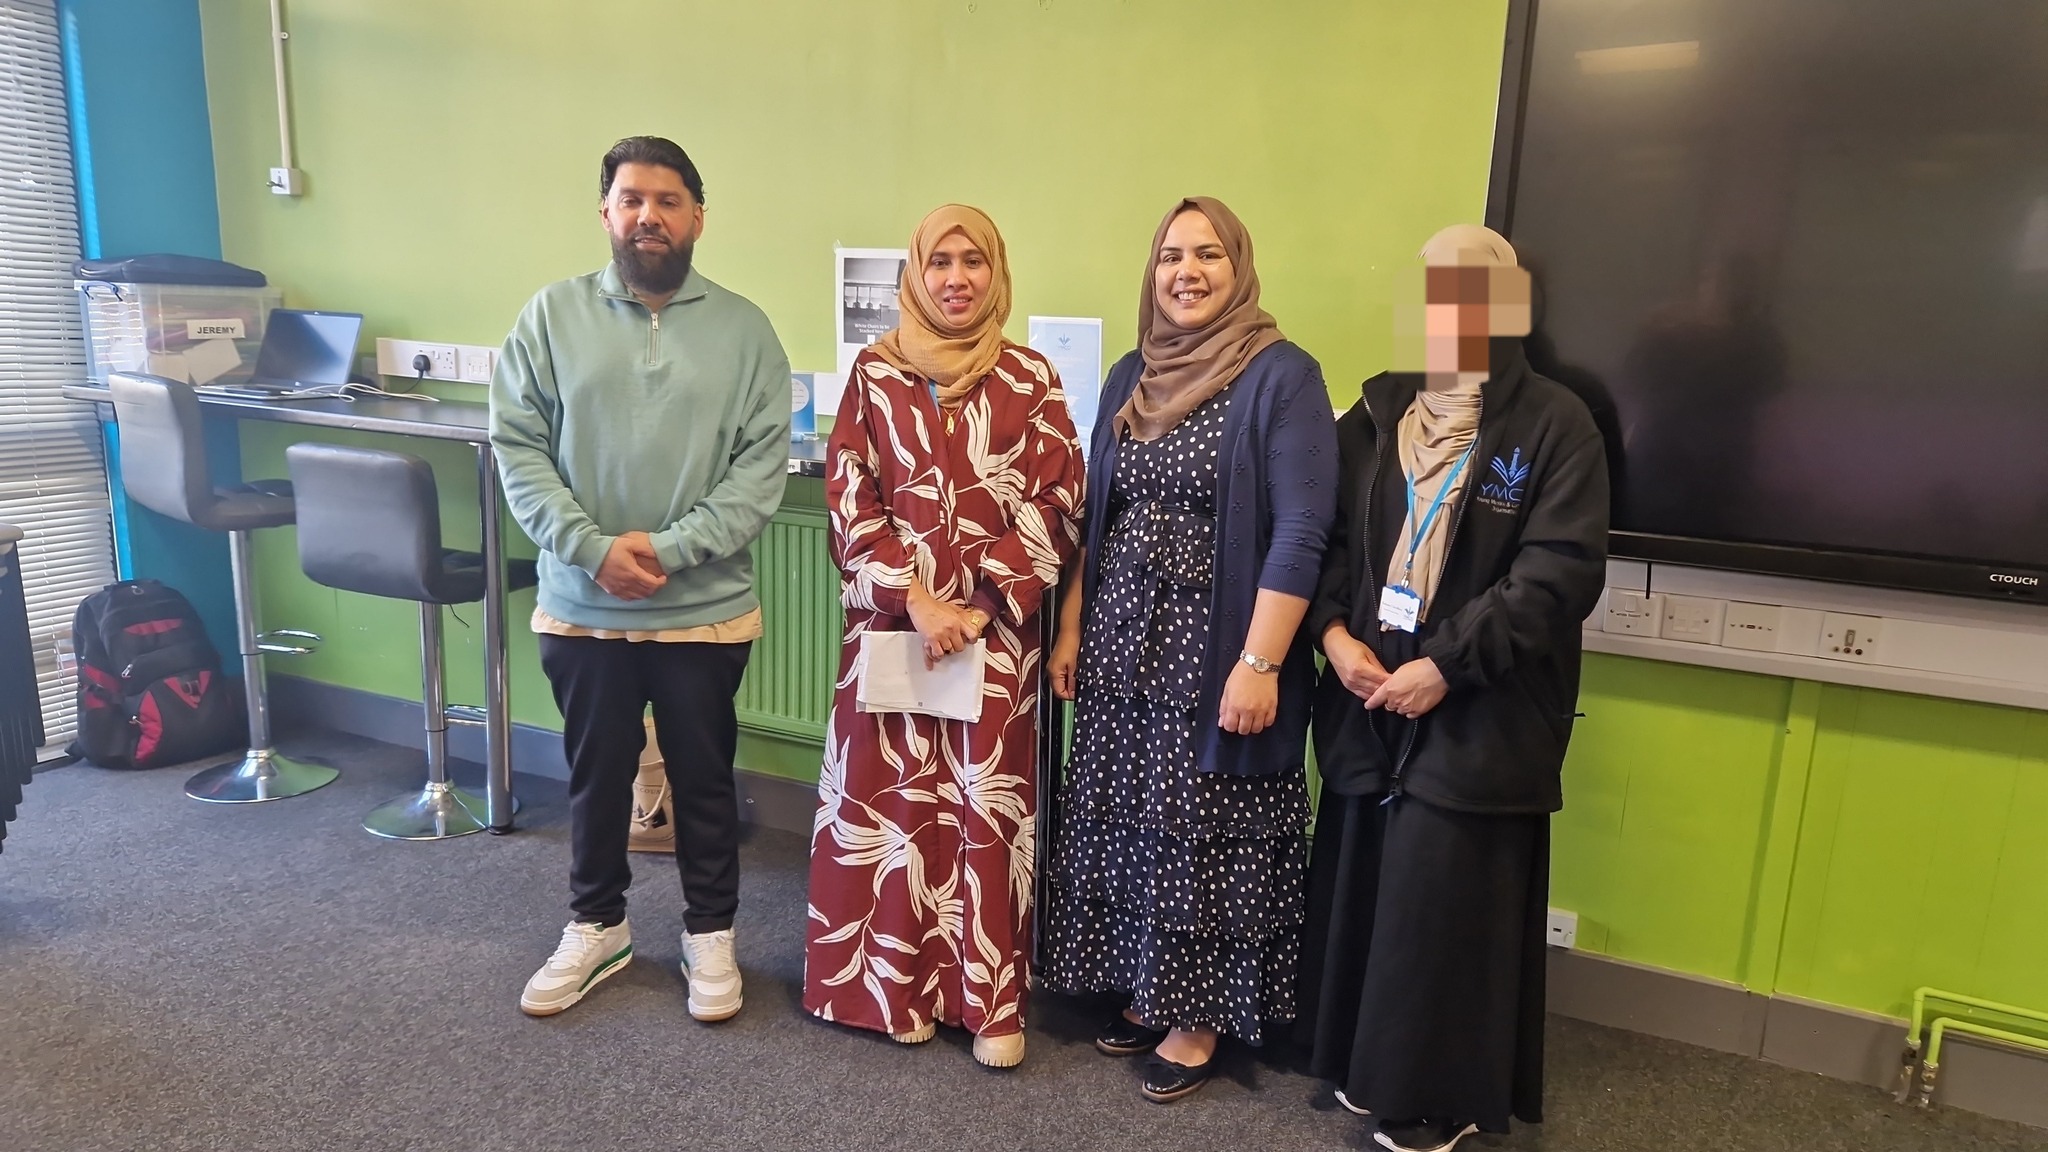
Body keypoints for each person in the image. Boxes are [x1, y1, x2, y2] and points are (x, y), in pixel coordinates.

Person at [1298, 225, 1609, 1152]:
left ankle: (1434, 1097)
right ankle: (1359, 1064)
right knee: (1367, 886)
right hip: (1368, 694)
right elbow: (1324, 544)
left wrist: (1446, 666)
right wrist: (1333, 637)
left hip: (1479, 707)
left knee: (1443, 905)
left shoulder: (1555, 424)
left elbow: (1558, 574)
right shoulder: (1372, 415)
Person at [1040, 197, 1338, 1103]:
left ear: (1238, 267)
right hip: (1122, 646)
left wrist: (1261, 664)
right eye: (1171, 255)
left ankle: (1199, 1016)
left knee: (1203, 827)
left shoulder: (1283, 376)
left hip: (1214, 653)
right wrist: (1071, 626)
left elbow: (1302, 531)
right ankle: (1147, 982)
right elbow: (1098, 512)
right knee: (1133, 815)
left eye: (1208, 254)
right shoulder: (1131, 373)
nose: (1187, 272)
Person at [492, 136, 792, 1021]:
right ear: (606, 213)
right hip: (582, 605)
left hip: (704, 608)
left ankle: (710, 934)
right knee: (596, 777)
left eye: (666, 201)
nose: (647, 216)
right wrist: (592, 549)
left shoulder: (747, 332)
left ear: (698, 216)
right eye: (631, 200)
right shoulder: (549, 318)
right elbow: (519, 451)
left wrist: (667, 550)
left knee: (704, 780)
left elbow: (757, 475)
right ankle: (597, 925)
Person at [804, 205, 1084, 1068]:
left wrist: (982, 601)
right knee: (893, 807)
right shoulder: (874, 374)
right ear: (915, 276)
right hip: (895, 626)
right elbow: (849, 497)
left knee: (983, 807)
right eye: (940, 262)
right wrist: (920, 601)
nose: (956, 278)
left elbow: (1059, 500)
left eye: (974, 261)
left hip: (995, 639)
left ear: (996, 273)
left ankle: (989, 1001)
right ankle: (894, 991)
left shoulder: (1032, 378)